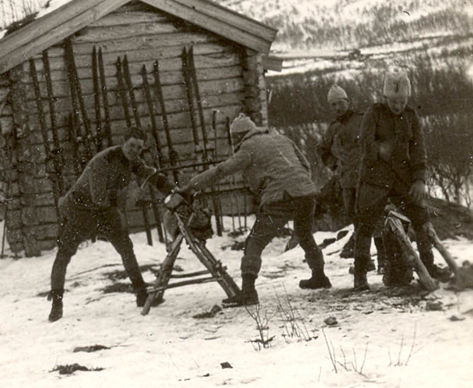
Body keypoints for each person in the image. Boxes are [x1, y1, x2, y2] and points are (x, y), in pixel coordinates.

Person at [186, 114, 329, 304]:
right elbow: (305, 165)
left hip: (282, 197)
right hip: (307, 194)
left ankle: (248, 292)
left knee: (254, 242)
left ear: (238, 136)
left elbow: (222, 170)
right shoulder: (281, 138)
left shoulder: (249, 147)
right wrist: (300, 186)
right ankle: (319, 276)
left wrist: (191, 186)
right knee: (305, 235)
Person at [47, 128, 172, 322]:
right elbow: (98, 197)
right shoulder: (102, 161)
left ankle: (141, 294)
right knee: (64, 254)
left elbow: (150, 175)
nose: (134, 151)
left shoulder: (132, 160)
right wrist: (129, 196)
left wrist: (173, 190)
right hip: (81, 209)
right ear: (123, 142)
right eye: (131, 145)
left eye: (139, 148)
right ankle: (57, 304)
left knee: (126, 248)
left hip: (104, 209)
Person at [352, 69, 447, 292]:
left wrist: (419, 179)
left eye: (402, 101)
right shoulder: (374, 113)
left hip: (402, 179)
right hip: (374, 179)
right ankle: (360, 276)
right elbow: (364, 143)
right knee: (365, 224)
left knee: (420, 216)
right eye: (394, 101)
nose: (398, 106)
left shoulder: (411, 116)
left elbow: (418, 150)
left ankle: (428, 265)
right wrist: (380, 150)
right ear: (385, 97)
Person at [318, 84, 363, 248]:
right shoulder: (333, 128)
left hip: (367, 178)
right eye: (333, 105)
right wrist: (335, 165)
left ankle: (379, 254)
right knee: (354, 216)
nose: (337, 108)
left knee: (371, 216)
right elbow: (321, 149)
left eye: (340, 103)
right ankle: (362, 254)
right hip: (347, 182)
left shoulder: (362, 120)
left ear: (348, 102)